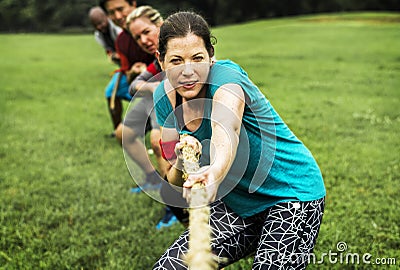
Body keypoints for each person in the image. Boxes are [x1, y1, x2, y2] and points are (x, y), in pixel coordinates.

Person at [153, 11, 326, 269]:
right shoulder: (163, 100)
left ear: (211, 57)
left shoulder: (227, 78)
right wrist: (180, 161)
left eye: (197, 58)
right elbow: (172, 178)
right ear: (161, 60)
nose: (188, 71)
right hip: (238, 205)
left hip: (292, 196)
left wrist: (215, 172)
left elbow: (227, 128)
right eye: (176, 61)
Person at [123, 6, 182, 229]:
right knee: (124, 133)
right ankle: (153, 179)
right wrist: (153, 87)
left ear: (160, 24)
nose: (143, 40)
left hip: (183, 105)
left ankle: (175, 205)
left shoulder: (179, 47)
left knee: (159, 143)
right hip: (157, 100)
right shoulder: (157, 59)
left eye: (147, 32)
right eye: (137, 37)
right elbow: (133, 86)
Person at [99, 0, 154, 138]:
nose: (117, 16)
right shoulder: (121, 41)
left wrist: (150, 70)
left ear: (133, 4)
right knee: (111, 91)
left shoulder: (156, 27)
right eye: (111, 13)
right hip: (143, 82)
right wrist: (134, 72)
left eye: (121, 9)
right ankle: (118, 128)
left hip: (169, 84)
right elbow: (128, 74)